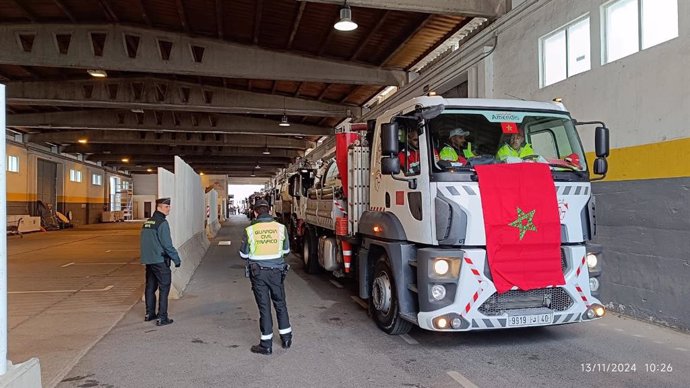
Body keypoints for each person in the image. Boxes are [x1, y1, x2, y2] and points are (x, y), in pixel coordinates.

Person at [239, 199, 292, 355]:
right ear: (269, 210)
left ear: (255, 212)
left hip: (258, 273)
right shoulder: (281, 228)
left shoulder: (250, 230)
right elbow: (286, 251)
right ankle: (286, 338)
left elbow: (244, 254)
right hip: (277, 272)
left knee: (264, 307)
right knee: (280, 303)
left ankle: (266, 344)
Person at [140, 197, 181, 326]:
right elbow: (167, 245)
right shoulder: (162, 223)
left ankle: (149, 314)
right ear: (159, 208)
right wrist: (176, 259)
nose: (169, 209)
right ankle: (162, 317)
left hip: (149, 261)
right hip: (160, 261)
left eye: (169, 207)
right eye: (166, 207)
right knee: (164, 288)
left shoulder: (147, 223)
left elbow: (145, 243)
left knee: (150, 287)